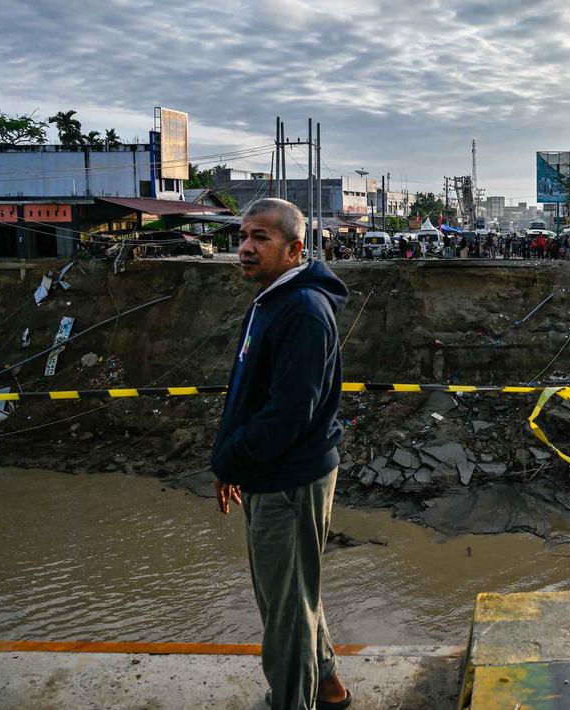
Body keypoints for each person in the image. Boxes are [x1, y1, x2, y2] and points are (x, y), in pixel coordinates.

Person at [211, 198, 352, 710]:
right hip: (268, 473)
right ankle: (329, 687)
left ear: (294, 250)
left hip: (288, 480)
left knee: (285, 611)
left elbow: (288, 415)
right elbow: (248, 393)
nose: (246, 248)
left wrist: (232, 460)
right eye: (243, 236)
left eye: (261, 238)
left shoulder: (304, 312)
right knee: (292, 594)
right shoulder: (271, 301)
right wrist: (231, 462)